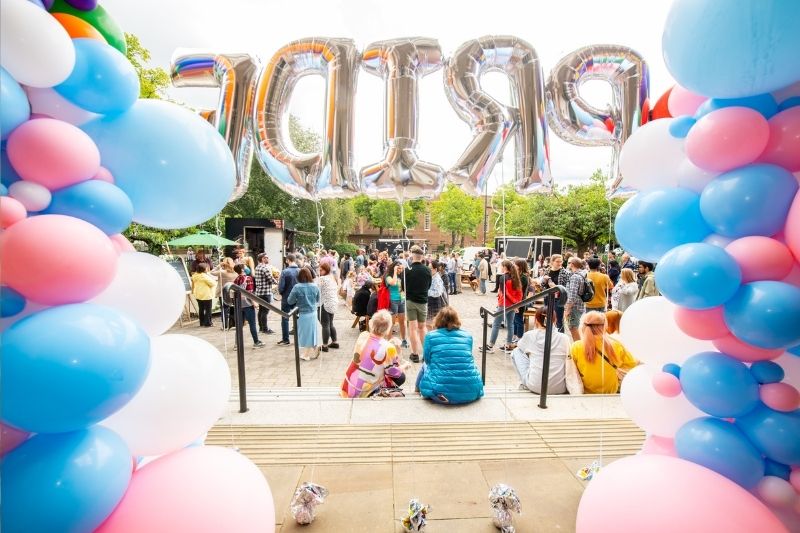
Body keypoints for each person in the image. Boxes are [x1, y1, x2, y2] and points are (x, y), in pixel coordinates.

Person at [415, 307, 483, 404]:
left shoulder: (430, 336)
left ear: (438, 319)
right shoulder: (467, 336)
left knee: (425, 366)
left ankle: (417, 390)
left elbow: (427, 360)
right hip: (472, 391)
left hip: (441, 393)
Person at [341, 310, 405, 398]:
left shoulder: (363, 336)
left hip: (348, 386)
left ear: (372, 324)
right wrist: (404, 365)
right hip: (364, 391)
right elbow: (393, 373)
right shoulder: (389, 348)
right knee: (401, 377)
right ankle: (379, 392)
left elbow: (374, 346)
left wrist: (388, 344)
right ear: (388, 328)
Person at [570, 311, 638, 394]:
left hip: (587, 393)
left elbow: (572, 371)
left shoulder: (576, 347)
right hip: (611, 391)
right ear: (604, 326)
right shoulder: (616, 344)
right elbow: (631, 365)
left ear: (583, 326)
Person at [511, 307, 572, 394]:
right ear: (555, 320)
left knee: (516, 351)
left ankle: (524, 383)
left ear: (536, 320)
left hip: (535, 387)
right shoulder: (564, 338)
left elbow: (520, 347)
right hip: (560, 387)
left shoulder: (530, 335)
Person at [483, 260, 523, 353]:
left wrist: (514, 303)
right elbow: (519, 293)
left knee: (496, 324)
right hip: (513, 305)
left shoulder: (503, 277)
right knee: (510, 325)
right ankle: (508, 345)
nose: (500, 267)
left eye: (501, 266)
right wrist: (516, 304)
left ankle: (490, 346)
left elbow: (505, 293)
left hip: (504, 304)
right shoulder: (516, 278)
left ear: (504, 267)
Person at [405, 245, 432, 363]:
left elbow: (403, 287)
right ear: (422, 257)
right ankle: (426, 355)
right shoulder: (427, 270)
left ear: (412, 256)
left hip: (410, 301)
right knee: (422, 327)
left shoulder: (407, 270)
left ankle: (414, 354)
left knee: (412, 328)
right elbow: (429, 286)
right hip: (423, 301)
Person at [287, 266, 321, 360]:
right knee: (312, 332)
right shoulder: (314, 286)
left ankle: (306, 354)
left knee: (305, 334)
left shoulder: (297, 287)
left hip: (303, 313)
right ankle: (315, 346)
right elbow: (318, 299)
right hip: (313, 312)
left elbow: (290, 301)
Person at [233, 264, 265, 348]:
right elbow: (250, 292)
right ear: (242, 269)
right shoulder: (248, 278)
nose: (247, 268)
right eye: (245, 267)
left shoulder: (236, 279)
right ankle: (256, 342)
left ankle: (237, 344)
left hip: (239, 304)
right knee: (252, 324)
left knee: (239, 325)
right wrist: (254, 302)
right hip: (248, 304)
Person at [277, 253, 301, 345]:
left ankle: (286, 339)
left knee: (285, 318)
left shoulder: (285, 271)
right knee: (298, 317)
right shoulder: (300, 270)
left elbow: (281, 287)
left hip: (286, 297)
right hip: (298, 298)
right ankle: (299, 338)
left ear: (288, 260)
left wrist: (281, 293)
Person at [316, 262, 340, 352]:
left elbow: (316, 290)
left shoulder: (322, 278)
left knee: (325, 325)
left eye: (321, 270)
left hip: (325, 304)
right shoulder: (332, 277)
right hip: (333, 303)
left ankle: (325, 345)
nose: (319, 271)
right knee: (330, 324)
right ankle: (335, 342)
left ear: (325, 270)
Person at [384, 260, 408, 348]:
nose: (400, 270)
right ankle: (389, 341)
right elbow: (393, 283)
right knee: (392, 322)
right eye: (398, 268)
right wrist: (394, 271)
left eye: (401, 269)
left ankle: (404, 339)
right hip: (392, 300)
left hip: (402, 300)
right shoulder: (388, 276)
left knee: (402, 321)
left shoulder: (402, 276)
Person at [563, 257, 587, 341]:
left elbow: (572, 295)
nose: (568, 264)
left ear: (572, 264)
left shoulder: (575, 277)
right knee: (574, 327)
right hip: (579, 305)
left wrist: (568, 309)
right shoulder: (582, 274)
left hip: (574, 307)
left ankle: (578, 348)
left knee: (573, 328)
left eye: (569, 262)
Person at [211, 257, 238, 329]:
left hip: (223, 293)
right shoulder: (236, 272)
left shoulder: (222, 272)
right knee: (233, 309)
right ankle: (233, 324)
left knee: (224, 309)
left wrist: (219, 265)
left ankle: (225, 326)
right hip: (233, 293)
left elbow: (212, 272)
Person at [254, 253, 276, 334]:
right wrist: (277, 281)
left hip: (259, 292)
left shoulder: (257, 267)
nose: (268, 259)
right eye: (266, 258)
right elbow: (271, 279)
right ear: (262, 259)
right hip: (266, 292)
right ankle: (265, 329)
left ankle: (261, 327)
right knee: (265, 311)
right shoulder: (264, 268)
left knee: (261, 310)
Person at [513, 258, 531, 342]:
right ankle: (515, 335)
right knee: (515, 319)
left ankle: (519, 337)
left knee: (518, 319)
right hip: (516, 300)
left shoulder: (523, 277)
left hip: (520, 301)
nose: (514, 266)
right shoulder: (519, 275)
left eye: (515, 264)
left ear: (519, 266)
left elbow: (518, 289)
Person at [426, 260, 447, 329]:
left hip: (435, 303)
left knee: (433, 324)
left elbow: (437, 293)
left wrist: (425, 291)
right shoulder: (432, 276)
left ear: (435, 269)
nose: (428, 269)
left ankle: (433, 338)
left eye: (430, 268)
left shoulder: (437, 279)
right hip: (432, 303)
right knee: (430, 324)